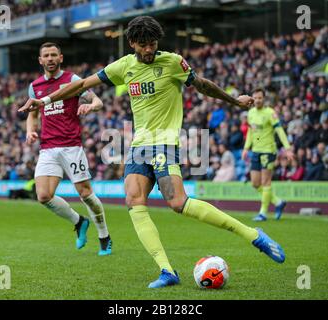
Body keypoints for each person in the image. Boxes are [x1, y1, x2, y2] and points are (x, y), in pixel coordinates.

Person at [19, 17, 285, 288]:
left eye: (153, 44)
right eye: (143, 45)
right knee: (134, 201)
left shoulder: (172, 62)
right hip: (138, 145)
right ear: (133, 43)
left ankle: (252, 234)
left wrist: (233, 100)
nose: (148, 50)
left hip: (165, 142)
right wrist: (45, 100)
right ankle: (167, 270)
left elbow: (202, 84)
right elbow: (83, 85)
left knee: (177, 203)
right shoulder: (124, 65)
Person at [25, 42, 112, 256]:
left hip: (71, 146)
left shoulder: (72, 80)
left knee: (86, 194)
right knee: (43, 195)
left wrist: (90, 106)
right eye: (46, 55)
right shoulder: (34, 86)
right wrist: (30, 130)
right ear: (40, 60)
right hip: (48, 148)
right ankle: (79, 221)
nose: (50, 58)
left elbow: (97, 100)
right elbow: (33, 113)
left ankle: (104, 235)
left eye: (54, 54)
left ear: (61, 58)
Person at [242, 88, 294, 221]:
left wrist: (287, 148)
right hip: (255, 151)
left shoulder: (270, 113)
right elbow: (250, 132)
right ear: (252, 99)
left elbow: (280, 130)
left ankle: (263, 213)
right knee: (255, 183)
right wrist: (246, 148)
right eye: (255, 98)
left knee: (266, 182)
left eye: (260, 98)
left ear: (264, 99)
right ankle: (278, 202)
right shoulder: (251, 113)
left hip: (268, 151)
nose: (258, 100)